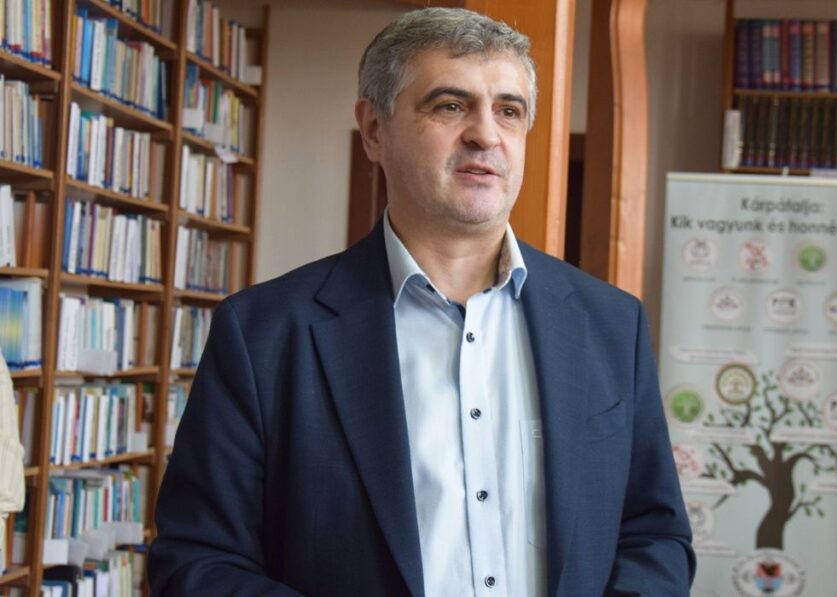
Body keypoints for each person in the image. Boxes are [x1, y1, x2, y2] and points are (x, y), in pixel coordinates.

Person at [148, 7, 694, 596]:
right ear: (374, 130)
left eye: (509, 111)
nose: (486, 134)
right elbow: (197, 559)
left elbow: (654, 536)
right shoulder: (264, 334)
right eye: (451, 106)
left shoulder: (611, 325)